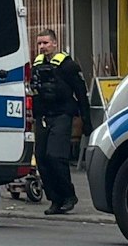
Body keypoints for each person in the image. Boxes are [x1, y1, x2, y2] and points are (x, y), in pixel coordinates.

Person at [31, 28, 90, 215]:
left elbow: (81, 93)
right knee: (41, 158)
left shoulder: (68, 65)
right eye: (39, 43)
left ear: (55, 43)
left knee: (56, 156)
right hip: (43, 116)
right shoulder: (37, 65)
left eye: (46, 43)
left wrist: (86, 121)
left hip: (62, 115)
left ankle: (68, 196)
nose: (42, 47)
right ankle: (55, 199)